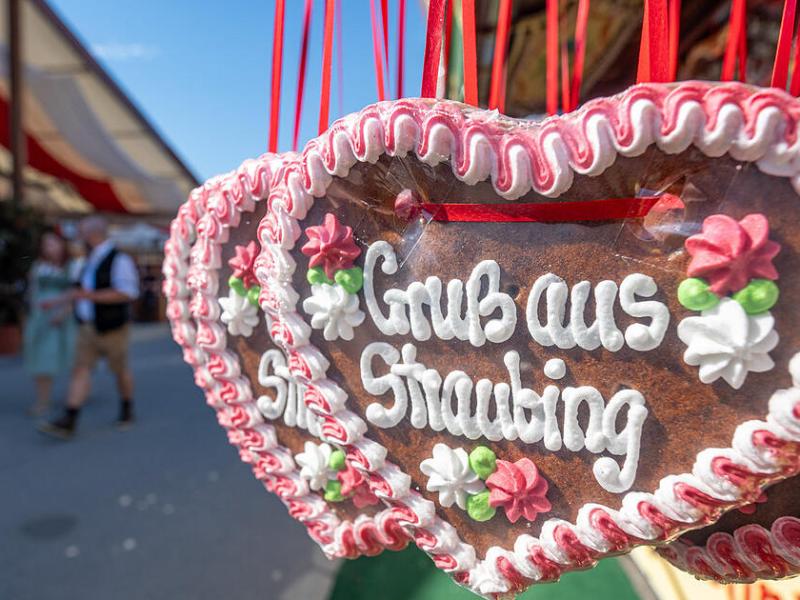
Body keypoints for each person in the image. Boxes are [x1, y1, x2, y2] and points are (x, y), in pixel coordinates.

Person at [39, 215, 139, 439]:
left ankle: (127, 407)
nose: (77, 237)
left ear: (93, 234)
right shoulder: (88, 260)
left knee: (120, 369)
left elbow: (127, 292)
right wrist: (56, 304)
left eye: (81, 232)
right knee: (81, 369)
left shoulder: (119, 259)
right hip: (87, 326)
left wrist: (88, 296)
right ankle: (70, 418)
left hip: (113, 326)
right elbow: (77, 292)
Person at [23, 230, 76, 416]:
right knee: (41, 360)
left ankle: (75, 395)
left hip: (62, 317)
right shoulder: (38, 266)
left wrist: (64, 312)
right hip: (41, 316)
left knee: (71, 359)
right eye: (46, 244)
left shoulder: (71, 266)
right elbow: (32, 292)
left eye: (53, 243)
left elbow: (76, 293)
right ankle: (43, 400)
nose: (49, 248)